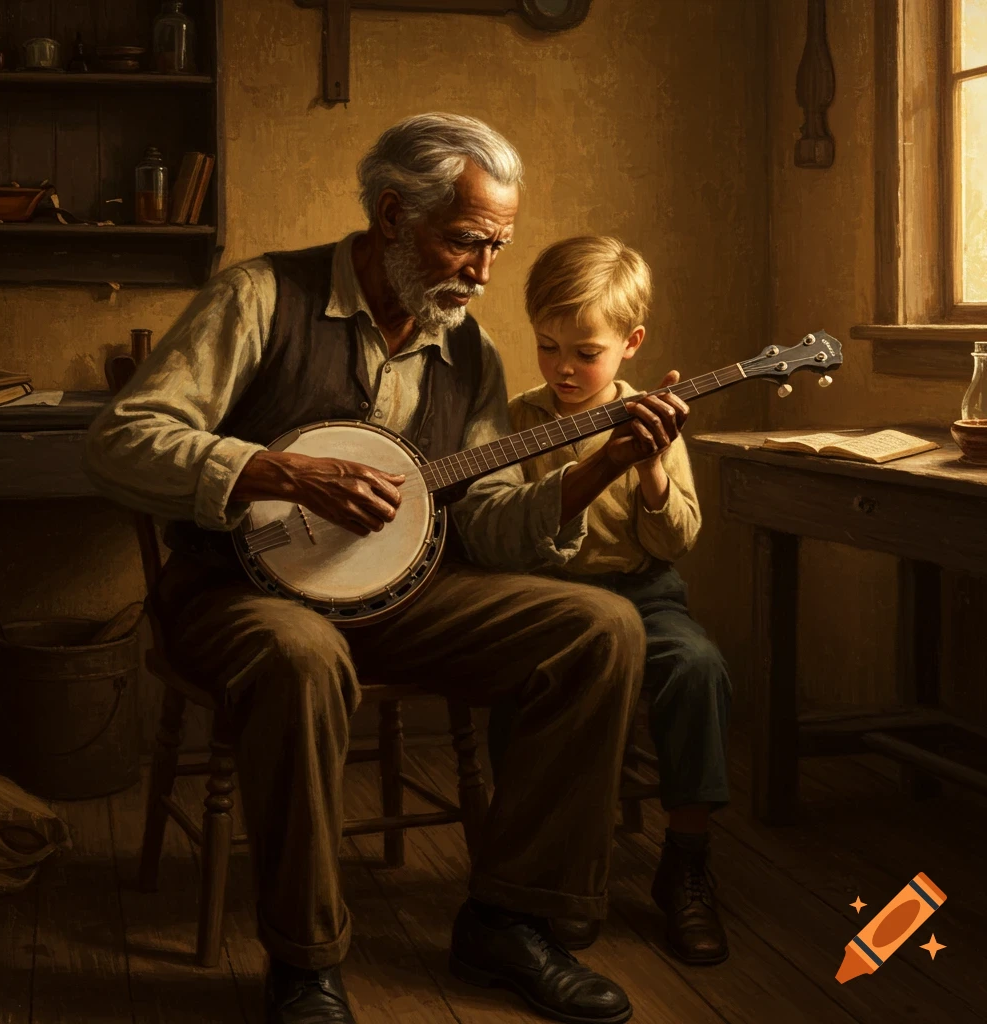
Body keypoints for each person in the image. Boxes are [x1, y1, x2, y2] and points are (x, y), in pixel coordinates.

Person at [84, 115, 688, 1024]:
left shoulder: (468, 350)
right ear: (393, 213)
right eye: (465, 242)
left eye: (497, 248)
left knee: (600, 628)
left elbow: (484, 522)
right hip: (239, 592)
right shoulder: (260, 297)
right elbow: (121, 440)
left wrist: (596, 468)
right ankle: (306, 962)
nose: (483, 273)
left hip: (399, 594)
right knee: (302, 655)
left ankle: (511, 921)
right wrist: (273, 470)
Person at [488, 235, 732, 966]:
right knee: (521, 687)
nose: (564, 367)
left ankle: (686, 860)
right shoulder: (518, 419)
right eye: (547, 346)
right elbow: (501, 530)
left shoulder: (655, 416)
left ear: (630, 345)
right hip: (546, 600)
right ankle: (544, 869)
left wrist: (654, 470)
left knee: (698, 668)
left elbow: (676, 539)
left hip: (643, 593)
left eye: (585, 352)